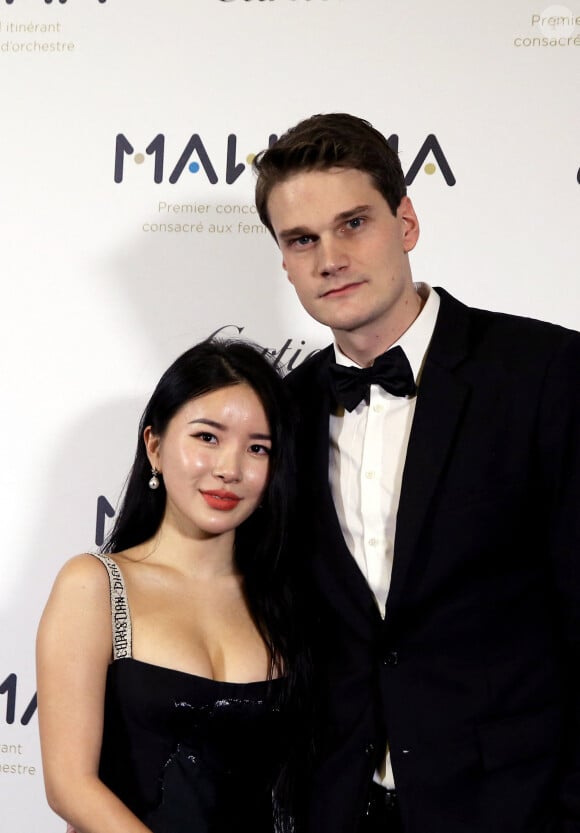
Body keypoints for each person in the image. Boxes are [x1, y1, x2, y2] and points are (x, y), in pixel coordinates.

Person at [252, 113, 580, 833]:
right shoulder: (280, 413)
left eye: (354, 223)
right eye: (302, 240)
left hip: (515, 810)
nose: (330, 257)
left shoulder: (545, 372)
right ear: (284, 261)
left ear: (407, 221)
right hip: (339, 809)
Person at [36, 339, 309, 833]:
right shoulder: (96, 586)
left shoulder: (287, 599)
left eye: (257, 448)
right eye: (207, 437)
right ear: (155, 447)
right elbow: (69, 785)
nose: (230, 468)